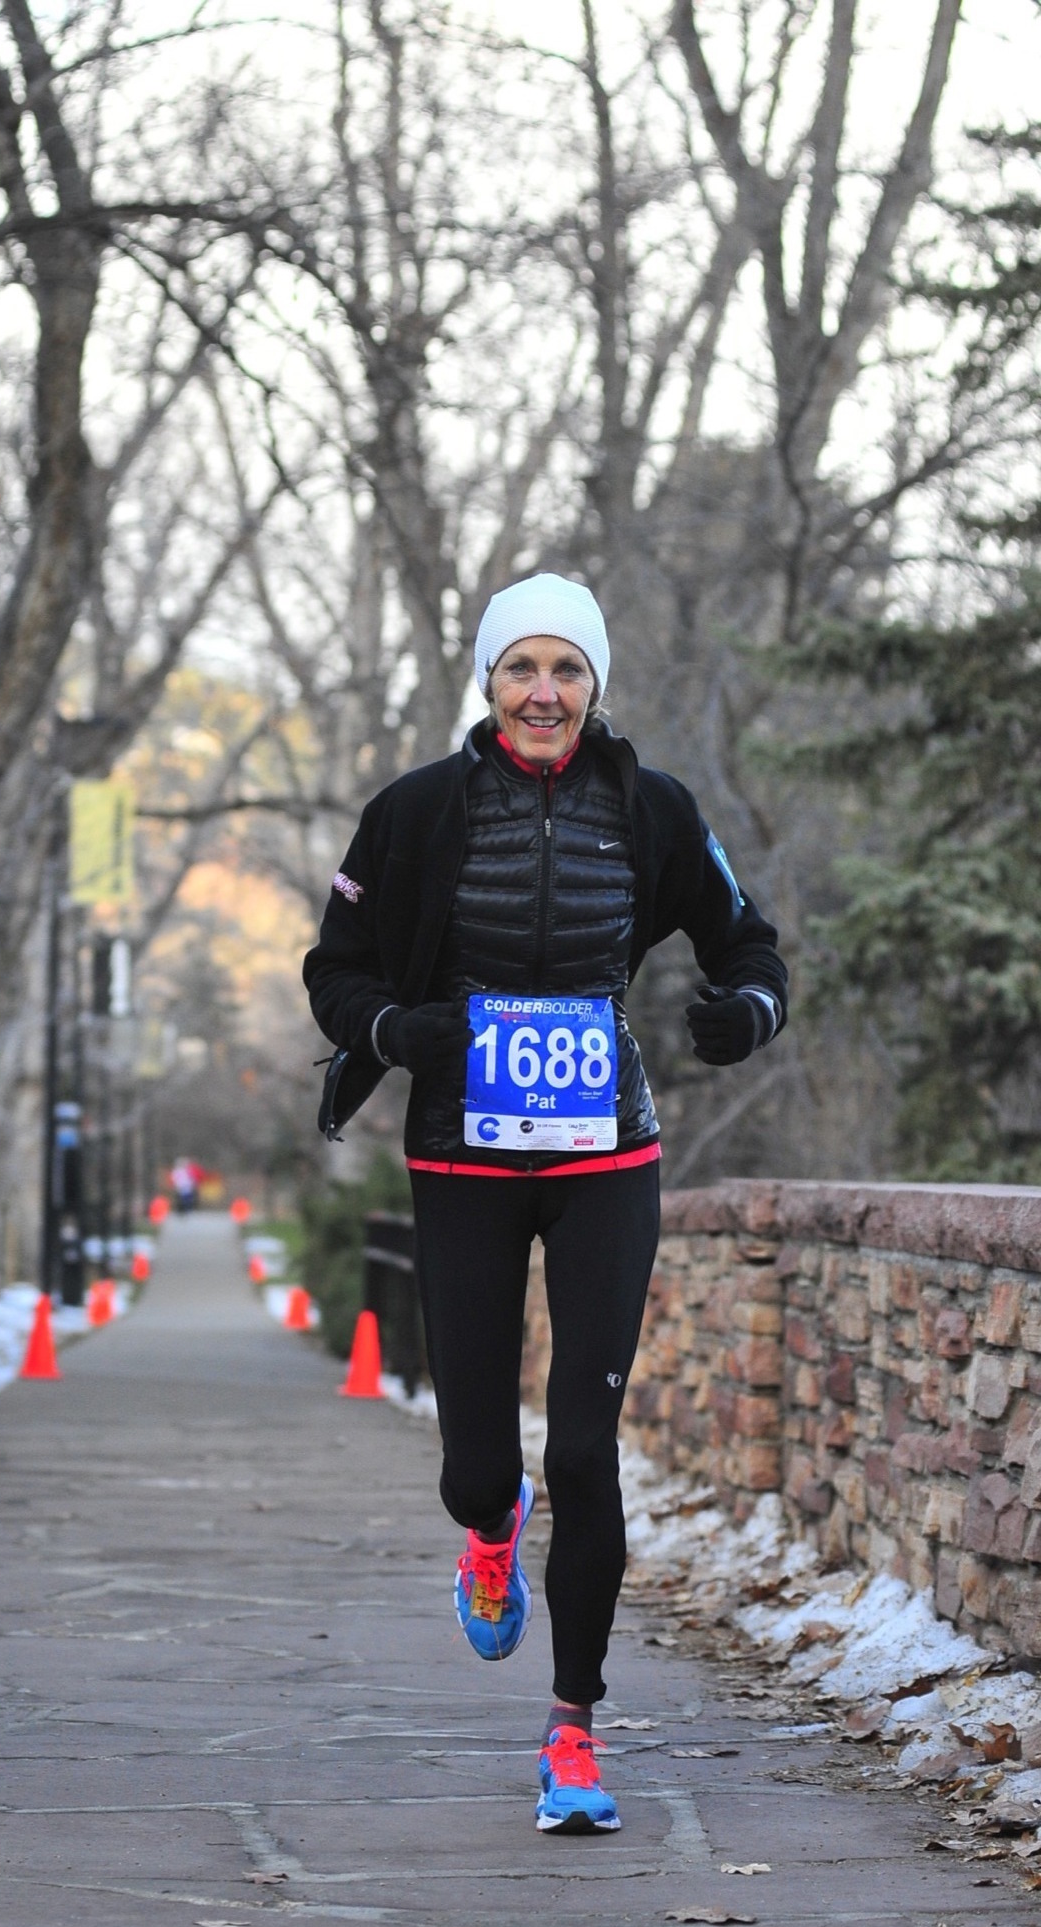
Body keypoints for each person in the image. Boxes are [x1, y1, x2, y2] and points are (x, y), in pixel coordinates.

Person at [304, 573, 787, 1835]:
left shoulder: (651, 809)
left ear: (595, 686)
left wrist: (743, 1014)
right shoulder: (414, 812)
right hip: (459, 1156)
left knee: (583, 1449)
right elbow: (332, 967)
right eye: (520, 667)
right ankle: (484, 1526)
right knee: (480, 1462)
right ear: (485, 681)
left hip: (601, 1159)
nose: (542, 692)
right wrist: (397, 1028)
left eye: (566, 670)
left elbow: (751, 945)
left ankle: (572, 1730)